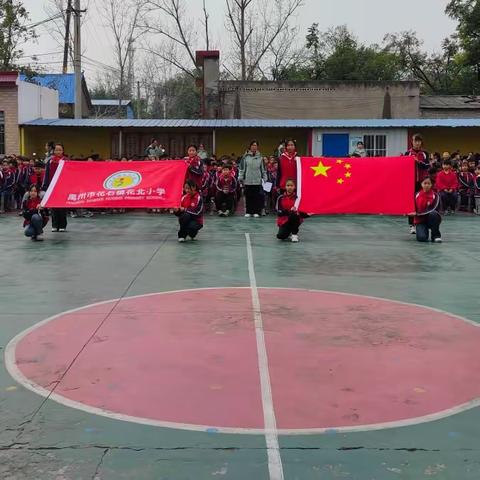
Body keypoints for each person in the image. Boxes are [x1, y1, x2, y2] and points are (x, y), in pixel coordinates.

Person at [406, 134, 430, 234]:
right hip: (411, 182)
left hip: (422, 182)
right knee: (411, 203)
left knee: (421, 202)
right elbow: (404, 167)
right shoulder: (408, 153)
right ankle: (412, 225)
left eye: (419, 141)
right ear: (412, 142)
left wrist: (418, 162)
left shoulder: (425, 153)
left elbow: (427, 165)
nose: (417, 143)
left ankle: (421, 223)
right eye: (416, 141)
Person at [42, 143, 68, 232]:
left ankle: (62, 225)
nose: (58, 151)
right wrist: (45, 186)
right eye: (56, 150)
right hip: (52, 187)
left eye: (60, 150)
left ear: (63, 151)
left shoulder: (66, 161)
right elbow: (47, 174)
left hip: (63, 187)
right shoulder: (50, 161)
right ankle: (54, 225)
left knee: (61, 207)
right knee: (53, 207)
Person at [238, 140, 266, 218]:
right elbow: (242, 168)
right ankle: (248, 211)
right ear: (250, 146)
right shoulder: (245, 157)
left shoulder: (260, 157)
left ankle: (256, 212)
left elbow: (263, 169)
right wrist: (240, 177)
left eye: (256, 145)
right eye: (253, 145)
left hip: (257, 180)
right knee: (248, 196)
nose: (254, 147)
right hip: (248, 180)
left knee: (256, 197)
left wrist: (265, 178)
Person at [410, 177, 442, 243]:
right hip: (420, 221)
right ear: (421, 184)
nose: (426, 185)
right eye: (425, 183)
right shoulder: (416, 195)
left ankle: (436, 236)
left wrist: (417, 213)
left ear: (431, 185)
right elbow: (412, 208)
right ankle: (424, 231)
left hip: (432, 219)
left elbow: (433, 209)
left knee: (433, 213)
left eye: (428, 183)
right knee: (422, 238)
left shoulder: (436, 196)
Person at [276, 179, 308, 243]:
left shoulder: (298, 198)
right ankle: (290, 230)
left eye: (291, 185)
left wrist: (308, 214)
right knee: (280, 236)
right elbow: (279, 212)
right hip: (284, 220)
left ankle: (294, 234)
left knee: (294, 215)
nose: (290, 187)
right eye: (288, 185)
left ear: (294, 187)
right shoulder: (280, 197)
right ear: (285, 187)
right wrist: (289, 211)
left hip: (295, 218)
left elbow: (303, 212)